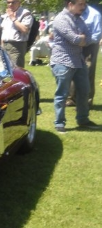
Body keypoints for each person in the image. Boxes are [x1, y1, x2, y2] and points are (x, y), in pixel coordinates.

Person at [50, 0, 98, 133]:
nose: (83, 7)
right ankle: (59, 123)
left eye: (84, 4)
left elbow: (89, 38)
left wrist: (81, 39)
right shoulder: (61, 19)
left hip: (78, 61)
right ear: (70, 4)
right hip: (63, 61)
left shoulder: (79, 19)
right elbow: (75, 39)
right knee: (62, 94)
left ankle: (83, 119)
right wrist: (81, 39)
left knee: (84, 91)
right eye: (80, 4)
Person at [67, 4, 101, 107]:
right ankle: (72, 98)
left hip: (89, 46)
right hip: (74, 45)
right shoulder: (72, 11)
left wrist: (84, 42)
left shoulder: (94, 14)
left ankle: (87, 100)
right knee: (72, 70)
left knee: (87, 72)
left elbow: (97, 34)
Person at [0, 0, 33, 68]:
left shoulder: (25, 13)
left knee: (15, 71)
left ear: (19, 2)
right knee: (5, 69)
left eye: (13, 2)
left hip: (16, 47)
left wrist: (13, 18)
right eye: (8, 2)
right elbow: (4, 31)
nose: (10, 4)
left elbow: (25, 29)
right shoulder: (7, 14)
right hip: (5, 45)